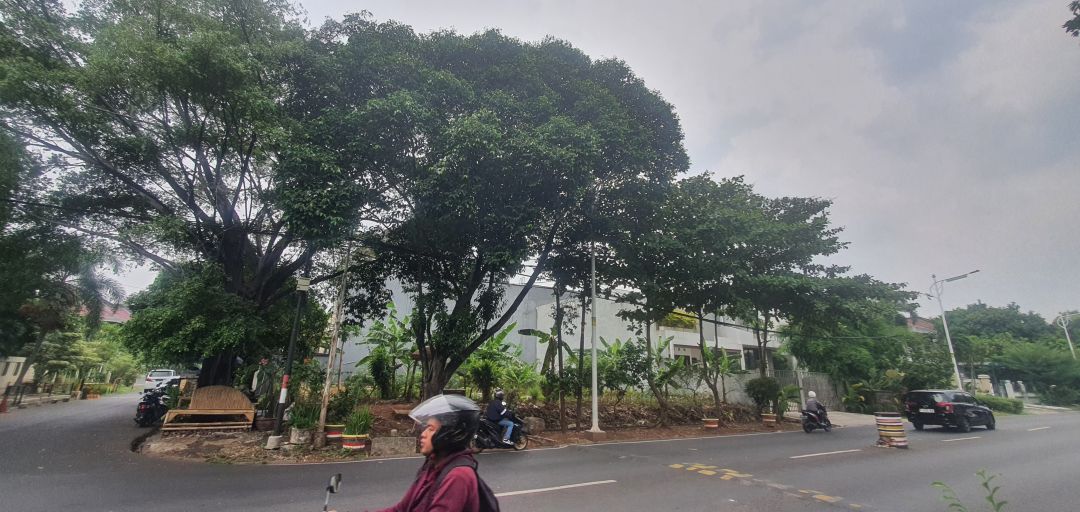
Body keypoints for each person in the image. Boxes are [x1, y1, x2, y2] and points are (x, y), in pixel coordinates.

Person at [374, 394, 483, 512]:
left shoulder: (458, 476)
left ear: (451, 434)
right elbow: (402, 508)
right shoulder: (431, 465)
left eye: (430, 429)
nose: (423, 434)